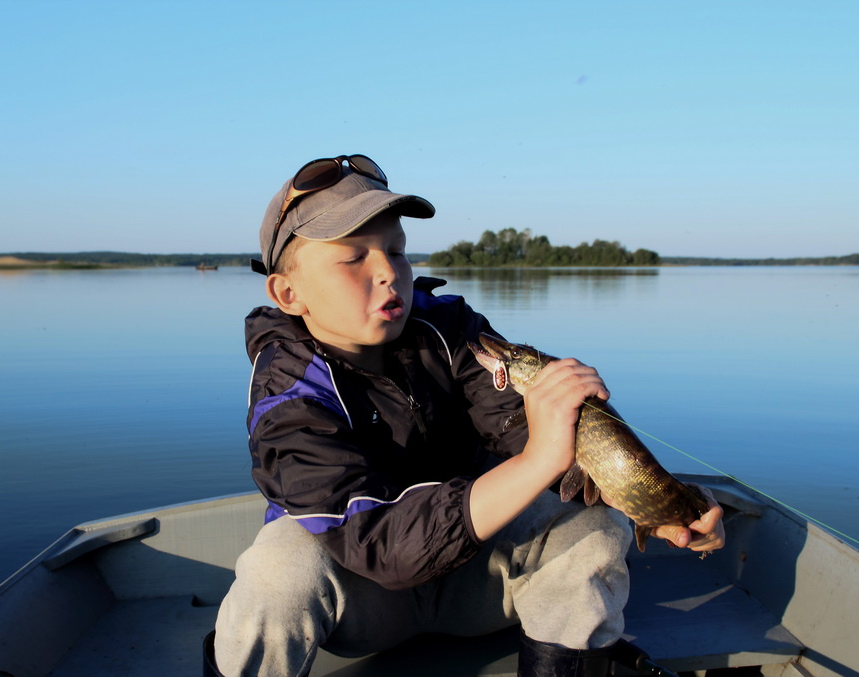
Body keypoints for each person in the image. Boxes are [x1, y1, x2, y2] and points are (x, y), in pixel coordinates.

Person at [208, 154, 725, 677]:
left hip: (477, 584)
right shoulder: (286, 393)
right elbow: (378, 543)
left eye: (396, 251)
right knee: (278, 572)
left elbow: (526, 428)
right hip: (361, 606)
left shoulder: (451, 330)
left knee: (597, 526)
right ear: (288, 293)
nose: (388, 272)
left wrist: (669, 508)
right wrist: (539, 459)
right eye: (353, 258)